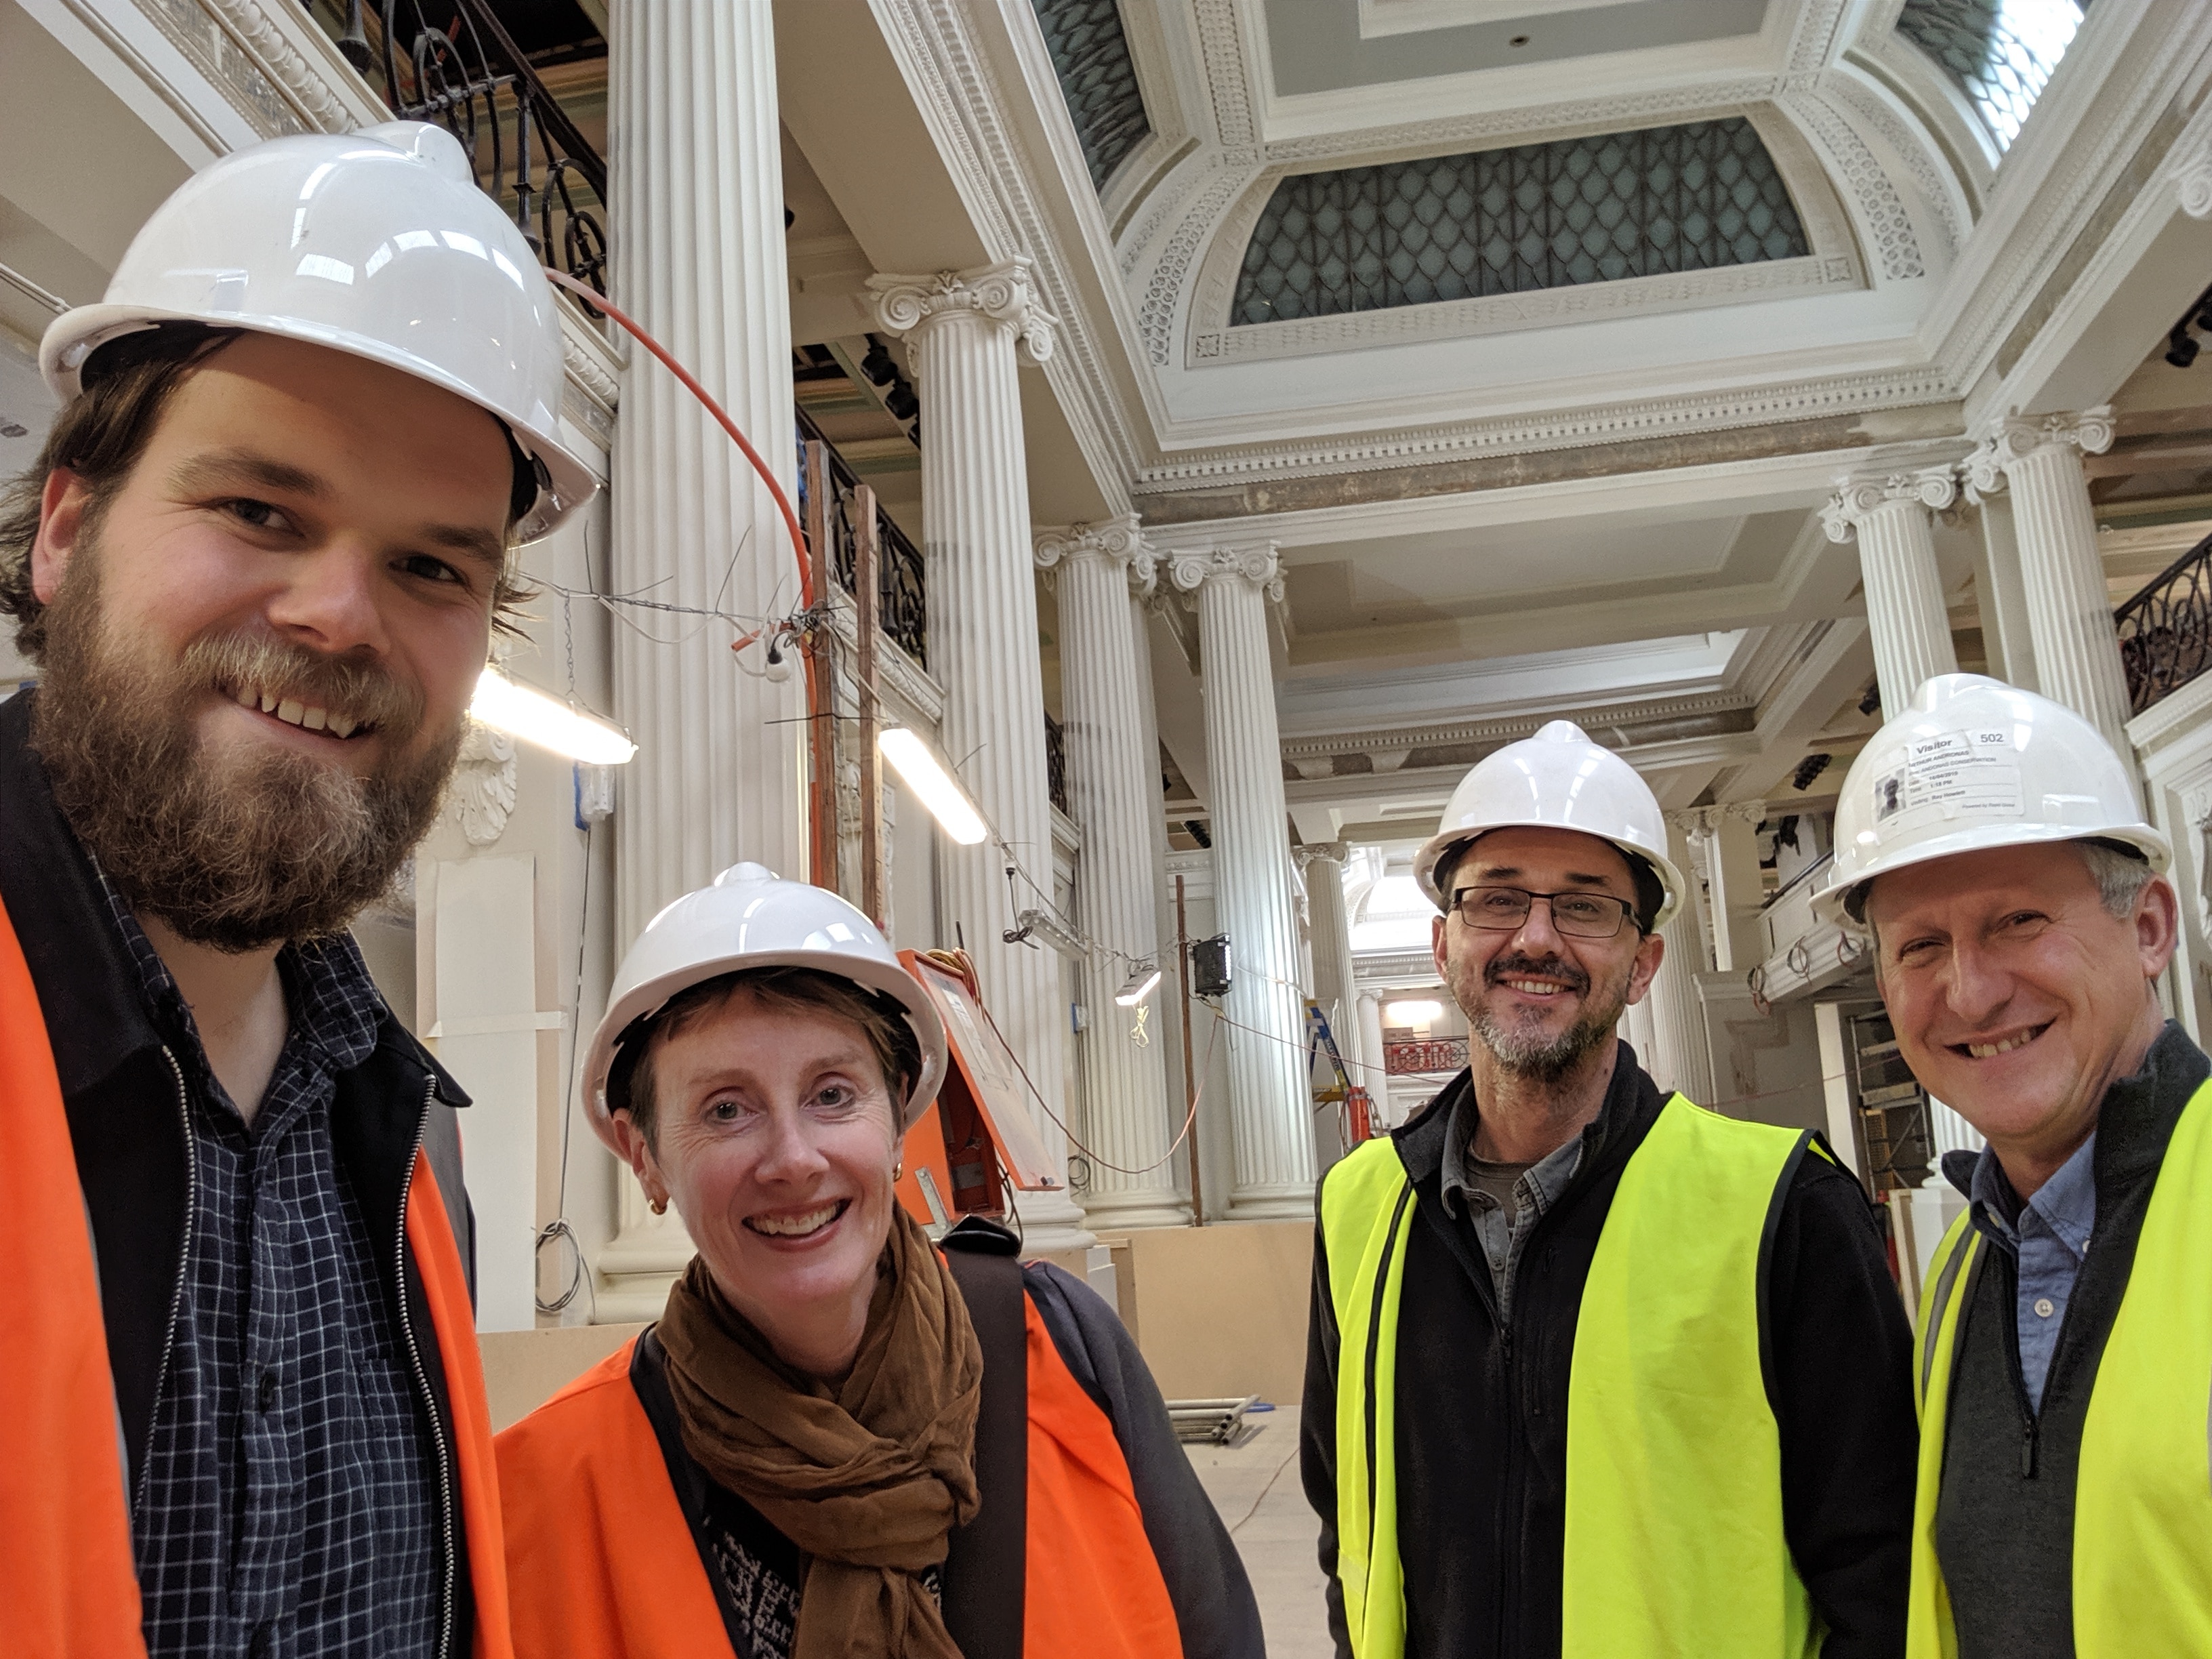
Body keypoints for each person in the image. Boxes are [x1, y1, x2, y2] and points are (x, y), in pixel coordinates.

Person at [0, 121, 596, 1658]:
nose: (337, 615)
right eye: (261, 511)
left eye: (431, 567)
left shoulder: (401, 1136)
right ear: (68, 526)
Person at [495, 862, 1263, 1659]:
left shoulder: (1066, 1354)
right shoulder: (545, 1491)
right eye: (726, 1109)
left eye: (832, 1094)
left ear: (898, 1116)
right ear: (643, 1154)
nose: (793, 1160)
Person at [1303, 720, 1919, 1659]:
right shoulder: (1360, 1207)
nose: (1536, 939)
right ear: (1443, 944)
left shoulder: (1781, 1208)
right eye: (1497, 901)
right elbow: (1347, 1522)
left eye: (1586, 908)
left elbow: (1882, 1578)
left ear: (1643, 964)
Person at [1814, 673, 2212, 1656]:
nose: (1972, 991)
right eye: (1920, 947)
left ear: (2150, 926)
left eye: (2018, 922)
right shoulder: (1968, 1270)